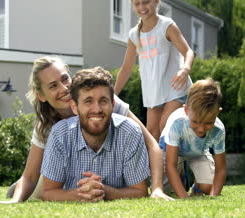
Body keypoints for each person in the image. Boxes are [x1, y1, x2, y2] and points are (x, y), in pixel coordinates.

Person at [0, 56, 173, 204]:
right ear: (42, 95)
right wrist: (17, 200)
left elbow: (152, 145)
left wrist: (156, 188)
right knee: (36, 191)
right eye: (53, 86)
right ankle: (16, 191)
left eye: (65, 79)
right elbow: (30, 175)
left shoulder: (106, 105)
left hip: (101, 173)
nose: (64, 88)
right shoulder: (47, 126)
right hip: (58, 173)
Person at [41, 67, 151, 201]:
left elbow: (140, 192)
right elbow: (48, 192)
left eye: (103, 101)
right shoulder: (60, 134)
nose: (97, 109)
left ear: (113, 104)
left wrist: (103, 191)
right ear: (75, 107)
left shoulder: (130, 132)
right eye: (88, 101)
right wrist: (81, 194)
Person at [114, 0, 194, 141]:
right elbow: (126, 68)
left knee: (166, 126)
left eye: (146, 2)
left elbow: (188, 52)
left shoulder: (166, 26)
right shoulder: (134, 35)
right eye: (137, 4)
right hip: (154, 94)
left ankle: (174, 163)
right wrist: (112, 94)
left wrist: (185, 69)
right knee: (151, 134)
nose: (142, 7)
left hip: (176, 88)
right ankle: (157, 164)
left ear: (157, 2)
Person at [159, 78, 226, 198]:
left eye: (208, 123)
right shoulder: (177, 123)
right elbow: (170, 165)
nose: (201, 129)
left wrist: (214, 196)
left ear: (218, 112)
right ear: (186, 110)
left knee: (208, 186)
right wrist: (184, 198)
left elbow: (220, 170)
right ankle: (181, 175)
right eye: (195, 121)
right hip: (172, 151)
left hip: (198, 152)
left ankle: (196, 187)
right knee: (165, 191)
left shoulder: (218, 130)